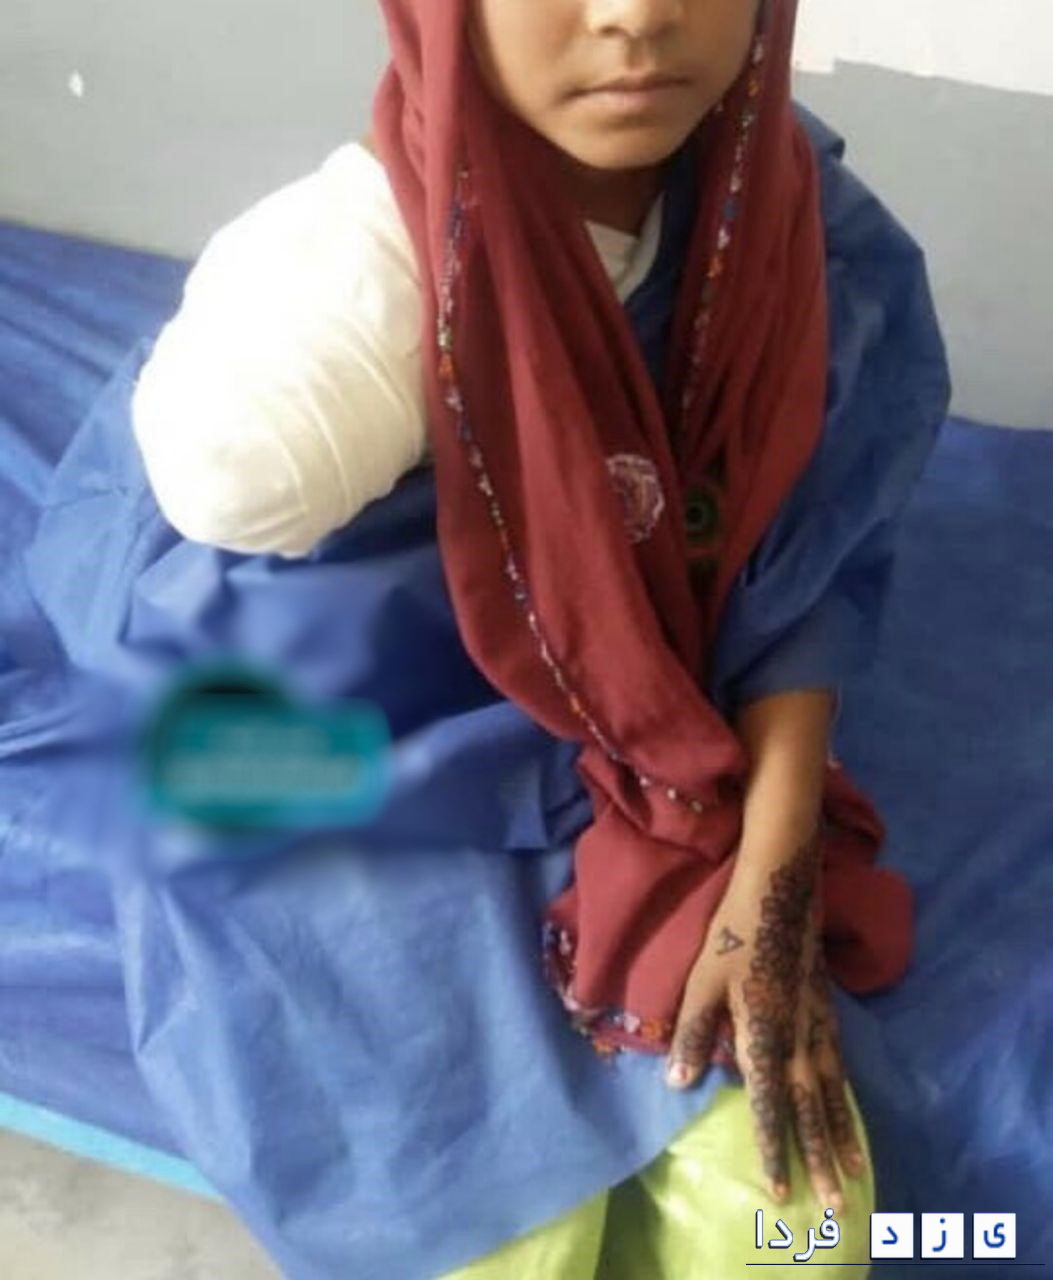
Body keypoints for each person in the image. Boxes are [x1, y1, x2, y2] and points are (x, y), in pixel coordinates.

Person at [124, 1, 950, 1274]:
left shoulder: (807, 244)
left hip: (662, 734)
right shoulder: (346, 304)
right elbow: (230, 503)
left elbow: (807, 576)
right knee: (503, 1240)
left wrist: (772, 876)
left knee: (795, 1240)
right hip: (377, 735)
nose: (639, 15)